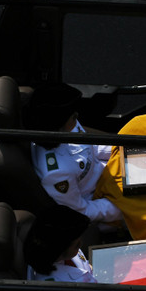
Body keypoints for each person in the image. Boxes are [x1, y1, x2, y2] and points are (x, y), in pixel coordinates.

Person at [27, 83, 122, 230]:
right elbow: (82, 211)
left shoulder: (65, 126)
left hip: (109, 174)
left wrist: (124, 151)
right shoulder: (56, 172)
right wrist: (123, 206)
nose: (77, 117)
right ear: (57, 127)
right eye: (73, 116)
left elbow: (93, 148)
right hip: (101, 200)